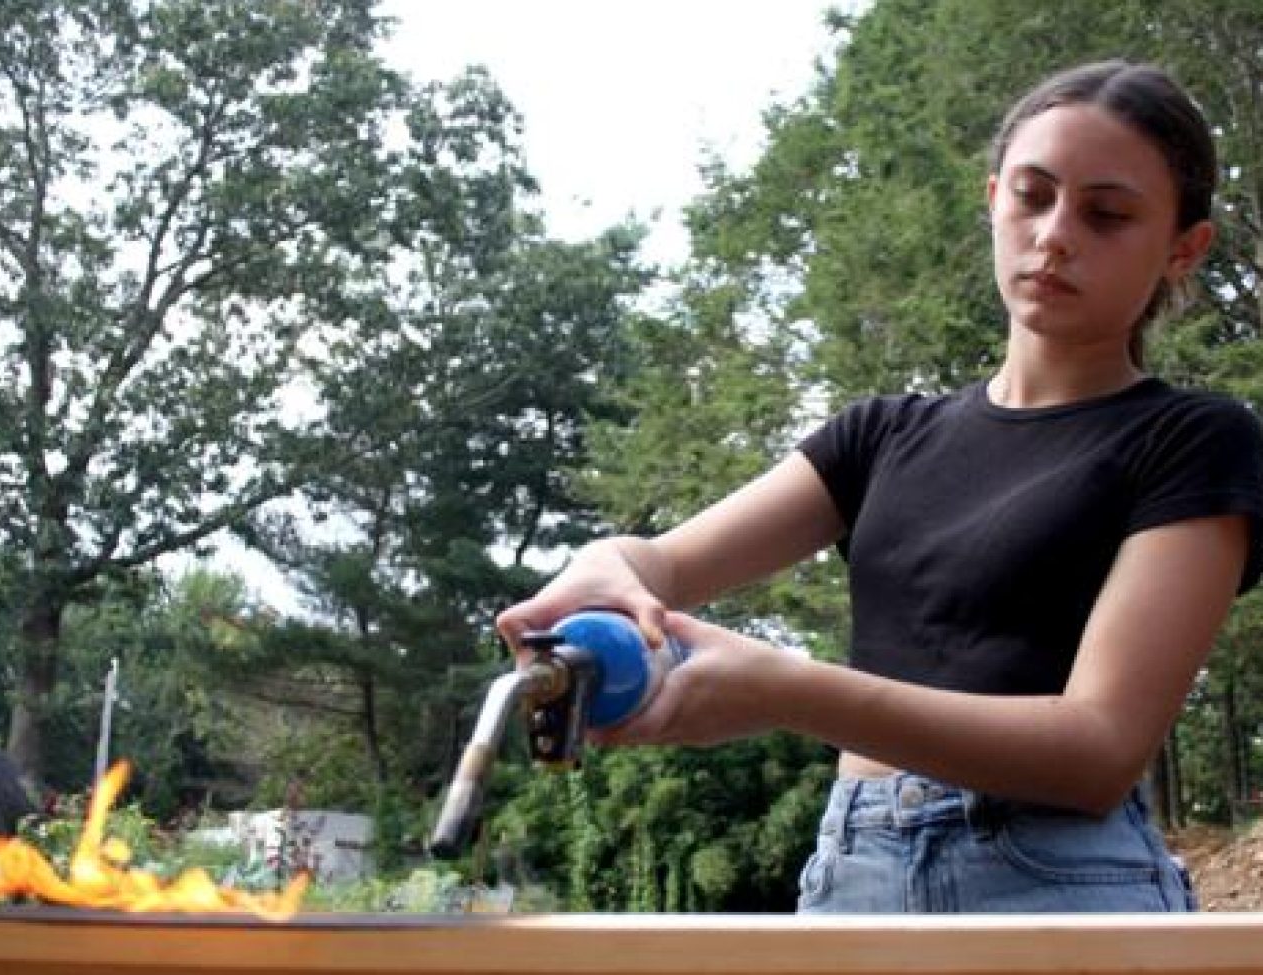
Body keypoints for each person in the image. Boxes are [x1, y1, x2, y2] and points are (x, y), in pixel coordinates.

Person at [497, 60, 1263, 913]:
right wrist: (606, 563)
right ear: (991, 198)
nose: (1054, 234)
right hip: (854, 870)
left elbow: (1097, 749)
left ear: (1183, 248)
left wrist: (784, 688)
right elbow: (662, 566)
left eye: (1107, 214)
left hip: (1061, 881)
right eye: (1031, 195)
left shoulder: (1197, 441)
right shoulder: (879, 435)